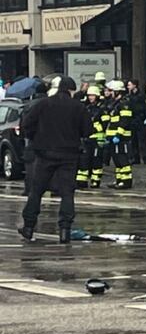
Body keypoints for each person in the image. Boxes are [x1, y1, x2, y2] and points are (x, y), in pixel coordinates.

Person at [18, 76, 91, 243]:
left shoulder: (43, 104)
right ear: (71, 90)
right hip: (69, 155)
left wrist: (35, 139)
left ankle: (29, 227)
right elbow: (87, 130)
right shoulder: (78, 107)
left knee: (36, 191)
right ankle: (65, 230)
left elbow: (27, 125)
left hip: (44, 153)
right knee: (67, 193)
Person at [103, 80, 134, 189]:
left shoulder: (124, 103)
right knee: (116, 160)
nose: (110, 93)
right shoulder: (115, 103)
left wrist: (118, 135)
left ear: (117, 91)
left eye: (112, 91)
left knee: (122, 159)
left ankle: (126, 181)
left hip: (121, 137)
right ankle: (119, 180)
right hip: (113, 136)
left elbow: (125, 120)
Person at [76, 85, 107, 189]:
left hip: (97, 139)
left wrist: (94, 128)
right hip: (86, 138)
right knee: (84, 160)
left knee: (96, 161)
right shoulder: (87, 107)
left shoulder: (102, 108)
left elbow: (105, 123)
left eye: (93, 95)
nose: (90, 97)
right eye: (89, 95)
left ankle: (95, 181)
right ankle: (81, 181)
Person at [126, 79, 146, 165]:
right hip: (132, 120)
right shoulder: (129, 95)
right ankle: (136, 158)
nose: (128, 87)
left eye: (129, 85)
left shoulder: (141, 95)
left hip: (139, 119)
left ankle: (145, 158)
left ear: (134, 85)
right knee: (133, 140)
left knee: (142, 140)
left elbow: (143, 107)